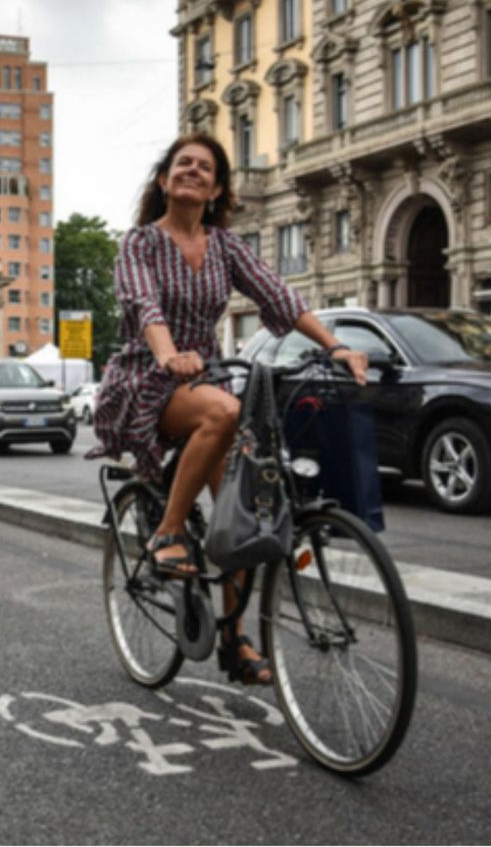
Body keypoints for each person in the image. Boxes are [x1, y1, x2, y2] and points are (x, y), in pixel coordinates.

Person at [89, 133, 368, 686]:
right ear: (165, 180)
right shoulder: (141, 243)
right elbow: (144, 305)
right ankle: (168, 532)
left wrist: (335, 346)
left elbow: (279, 296)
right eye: (183, 163)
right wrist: (168, 355)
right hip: (145, 378)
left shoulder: (225, 246)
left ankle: (235, 640)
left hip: (204, 377)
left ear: (216, 189)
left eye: (205, 167)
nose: (193, 171)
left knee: (242, 516)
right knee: (223, 412)